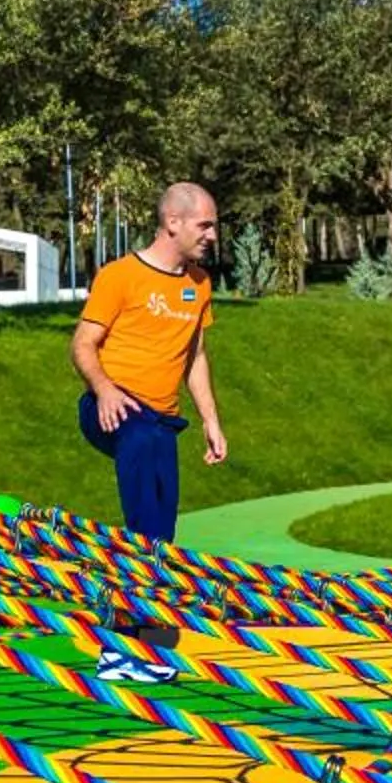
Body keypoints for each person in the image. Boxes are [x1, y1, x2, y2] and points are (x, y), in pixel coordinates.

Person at [71, 182, 228, 682]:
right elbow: (82, 344)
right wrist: (105, 389)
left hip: (160, 422)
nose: (212, 234)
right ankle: (119, 647)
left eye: (214, 225)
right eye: (205, 224)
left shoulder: (199, 285)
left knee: (162, 526)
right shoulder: (120, 276)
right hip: (111, 409)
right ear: (173, 223)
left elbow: (195, 358)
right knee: (146, 522)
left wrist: (210, 420)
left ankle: (136, 633)